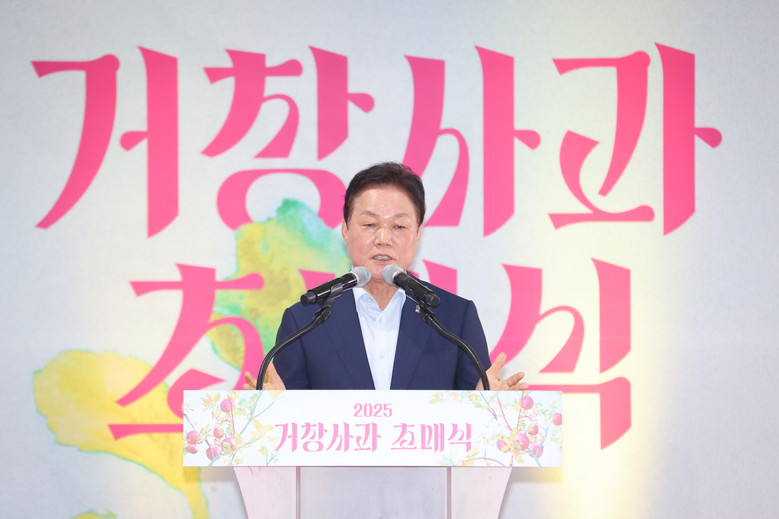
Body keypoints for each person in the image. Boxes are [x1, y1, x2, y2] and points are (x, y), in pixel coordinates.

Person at [244, 162, 526, 391]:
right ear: (345, 229)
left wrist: (486, 406)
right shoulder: (304, 320)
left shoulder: (455, 318)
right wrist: (274, 411)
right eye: (369, 224)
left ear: (417, 234)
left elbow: (477, 419)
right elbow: (287, 426)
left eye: (399, 226)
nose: (383, 238)